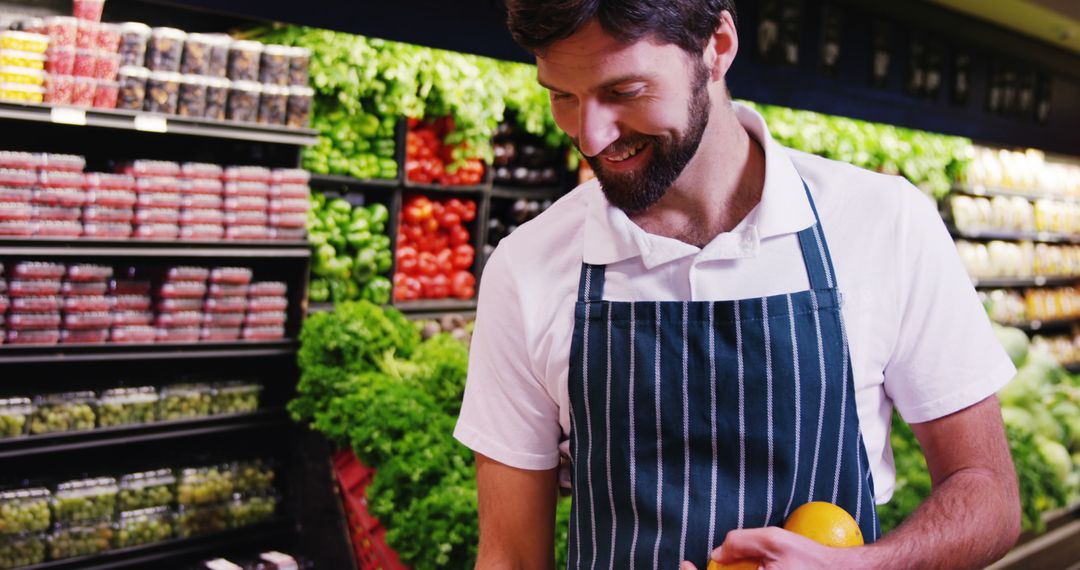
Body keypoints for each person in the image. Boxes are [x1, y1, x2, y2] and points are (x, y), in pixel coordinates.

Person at [453, 1, 1022, 568]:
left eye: (624, 91)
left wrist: (867, 565)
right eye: (563, 96)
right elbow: (509, 557)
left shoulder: (884, 222)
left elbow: (987, 491)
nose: (592, 136)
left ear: (717, 48)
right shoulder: (526, 266)